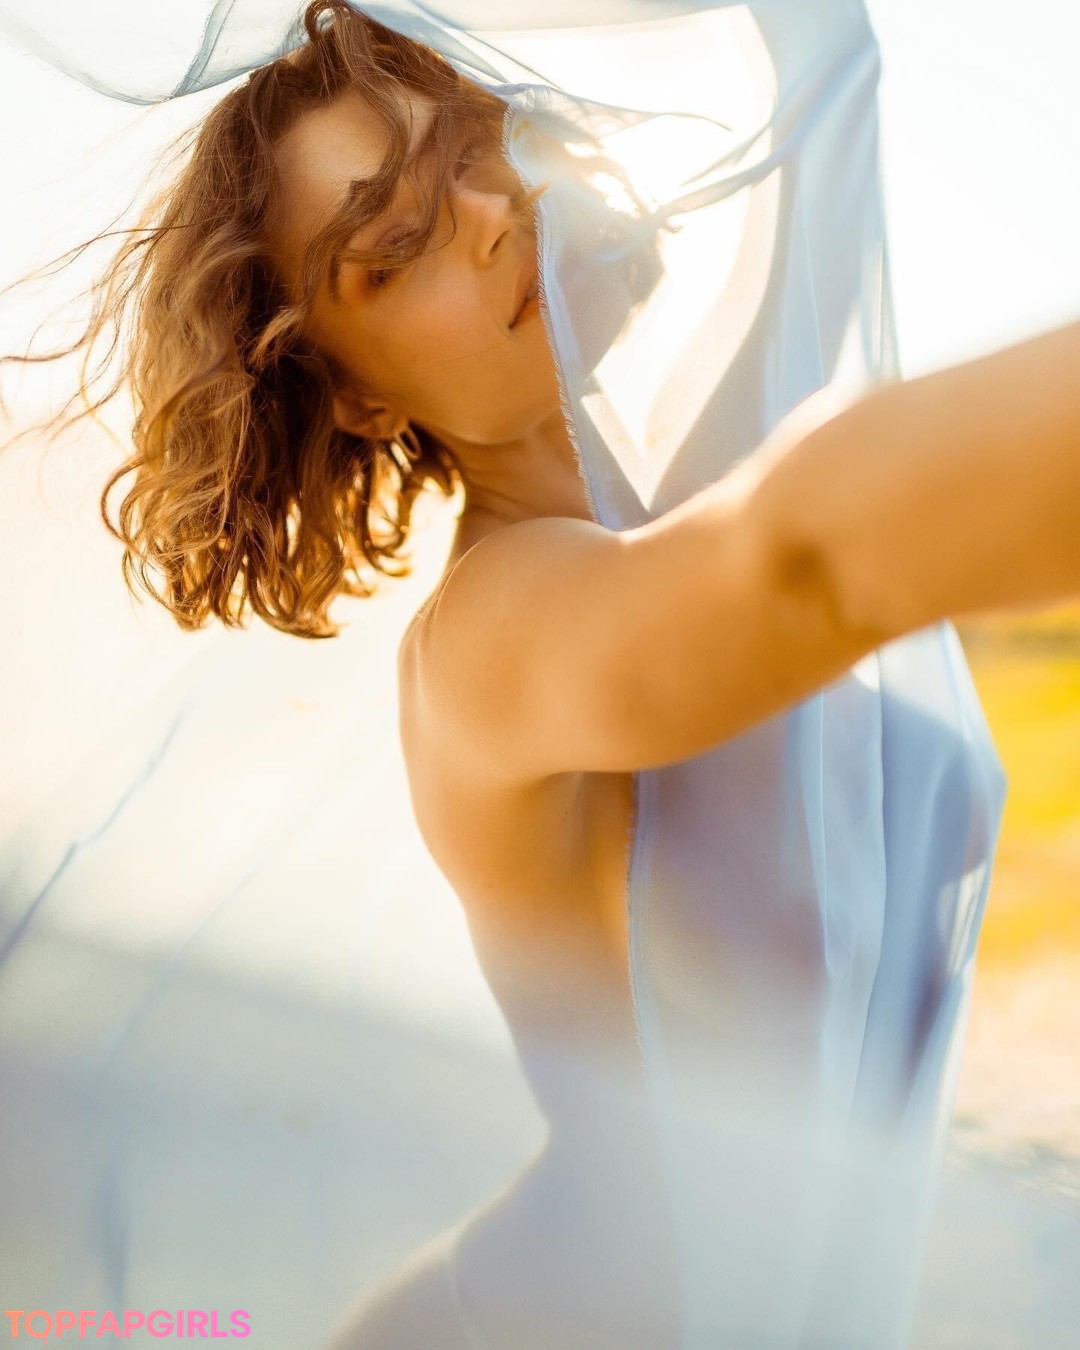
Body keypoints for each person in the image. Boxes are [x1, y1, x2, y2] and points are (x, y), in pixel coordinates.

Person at [6, 2, 1079, 1346]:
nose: (489, 211)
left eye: (480, 142)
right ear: (360, 395)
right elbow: (805, 559)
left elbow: (811, 72)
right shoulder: (488, 637)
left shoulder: (689, 479)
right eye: (395, 243)